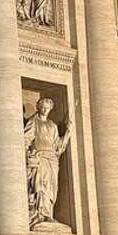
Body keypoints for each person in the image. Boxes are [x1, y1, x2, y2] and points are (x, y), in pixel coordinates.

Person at [24, 97, 70, 227]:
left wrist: (67, 132)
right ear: (38, 107)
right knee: (40, 186)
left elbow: (58, 146)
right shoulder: (34, 122)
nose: (45, 110)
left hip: (52, 159)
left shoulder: (52, 125)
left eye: (47, 108)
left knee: (51, 187)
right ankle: (40, 214)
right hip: (40, 157)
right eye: (43, 107)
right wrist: (28, 155)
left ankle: (48, 213)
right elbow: (26, 139)